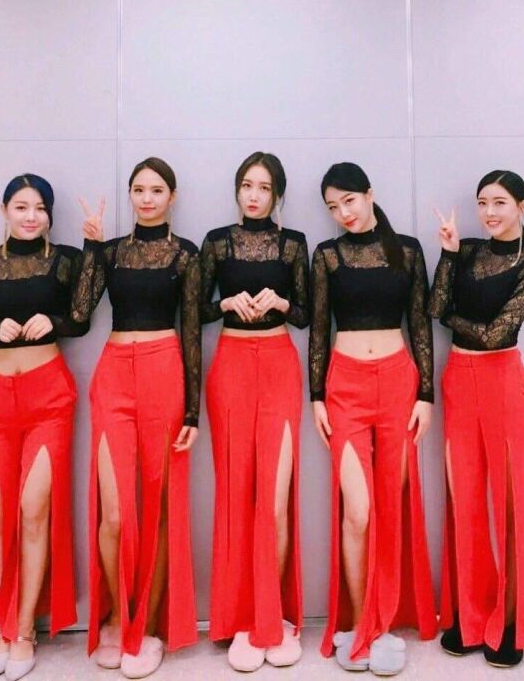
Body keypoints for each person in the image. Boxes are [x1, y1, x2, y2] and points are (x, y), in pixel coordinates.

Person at [0, 174, 88, 681]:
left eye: (39, 208)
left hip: (49, 396)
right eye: (21, 206)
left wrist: (53, 322)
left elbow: (81, 318)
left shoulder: (66, 260)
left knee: (34, 510)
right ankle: (4, 627)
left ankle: (26, 628)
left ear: (50, 215)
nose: (30, 216)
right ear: (5, 210)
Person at [73, 157, 199, 679]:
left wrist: (193, 408)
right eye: (139, 190)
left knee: (160, 505)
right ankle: (114, 615)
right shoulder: (110, 252)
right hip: (113, 375)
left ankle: (146, 624)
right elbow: (80, 315)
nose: (147, 199)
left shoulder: (186, 254)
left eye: (157, 190)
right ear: (130, 195)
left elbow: (191, 330)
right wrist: (90, 247)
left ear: (172, 197)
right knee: (115, 513)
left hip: (165, 370)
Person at [310, 162, 437, 675]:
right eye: (332, 207)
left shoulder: (407, 250)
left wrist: (425, 393)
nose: (343, 213)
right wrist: (316, 396)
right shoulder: (327, 255)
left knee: (389, 508)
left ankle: (381, 626)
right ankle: (362, 622)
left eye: (349, 200)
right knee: (358, 511)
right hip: (344, 386)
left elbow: (420, 322)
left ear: (369, 194)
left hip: (398, 382)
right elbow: (319, 327)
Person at [428, 169, 524, 668]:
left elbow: (496, 333)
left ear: (522, 206)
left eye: (500, 202)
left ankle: (512, 622)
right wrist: (448, 254)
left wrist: (452, 317)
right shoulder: (468, 251)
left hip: (503, 384)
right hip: (459, 380)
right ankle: (470, 616)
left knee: (511, 504)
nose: (490, 212)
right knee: (466, 500)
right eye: (483, 203)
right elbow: (435, 305)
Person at [201, 152, 308, 672]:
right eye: (247, 184)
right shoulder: (217, 242)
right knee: (236, 495)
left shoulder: (294, 245)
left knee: (275, 498)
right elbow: (193, 307)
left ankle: (274, 616)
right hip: (231, 367)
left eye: (264, 187)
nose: (254, 195)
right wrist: (225, 304)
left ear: (277, 195)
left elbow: (310, 313)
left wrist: (283, 304)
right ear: (237, 189)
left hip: (280, 366)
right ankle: (242, 618)